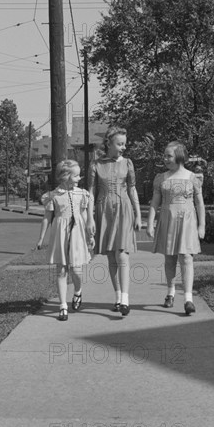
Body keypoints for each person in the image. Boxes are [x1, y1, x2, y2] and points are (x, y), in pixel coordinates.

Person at [88, 125, 142, 316]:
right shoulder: (96, 164)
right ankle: (118, 296)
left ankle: (126, 299)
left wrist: (138, 214)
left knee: (122, 254)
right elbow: (91, 193)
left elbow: (132, 188)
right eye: (119, 144)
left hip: (124, 210)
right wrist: (89, 218)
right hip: (104, 211)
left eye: (124, 144)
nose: (123, 147)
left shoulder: (128, 163)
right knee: (111, 255)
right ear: (109, 143)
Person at [146, 141, 206, 315]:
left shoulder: (192, 178)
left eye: (168, 155)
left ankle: (188, 299)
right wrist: (150, 222)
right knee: (170, 258)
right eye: (164, 155)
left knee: (186, 258)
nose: (165, 159)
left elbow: (199, 203)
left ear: (179, 157)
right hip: (167, 219)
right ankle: (170, 292)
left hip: (187, 221)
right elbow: (155, 201)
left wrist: (201, 225)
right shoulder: (161, 178)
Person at [37, 160, 94, 321]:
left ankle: (78, 291)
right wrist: (41, 238)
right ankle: (63, 305)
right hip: (60, 234)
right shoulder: (53, 196)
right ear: (65, 176)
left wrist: (90, 235)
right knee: (61, 270)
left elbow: (83, 215)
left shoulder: (82, 194)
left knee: (76, 270)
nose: (79, 178)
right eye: (75, 175)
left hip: (77, 233)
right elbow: (47, 218)